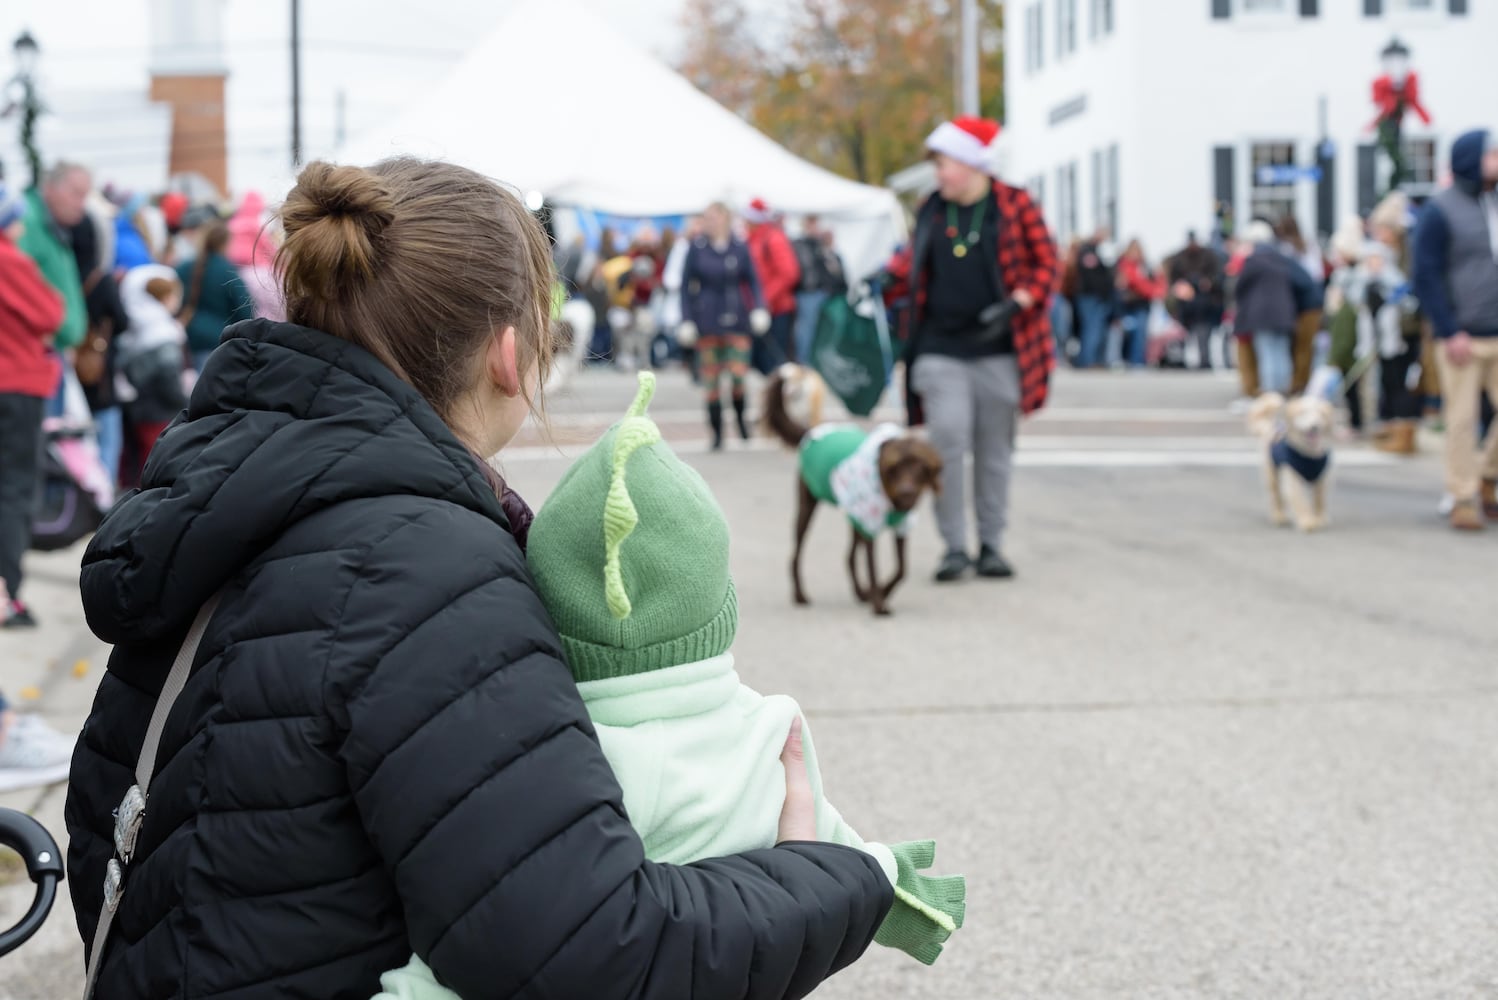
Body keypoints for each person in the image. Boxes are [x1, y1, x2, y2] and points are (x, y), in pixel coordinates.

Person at [65, 159, 891, 1000]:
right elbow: (589, 952)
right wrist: (829, 877)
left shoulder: (218, 493)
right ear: (510, 351)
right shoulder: (427, 568)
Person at [378, 373, 964, 998]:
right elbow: (832, 842)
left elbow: (483, 923)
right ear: (721, 612)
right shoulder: (772, 728)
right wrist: (895, 881)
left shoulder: (546, 754)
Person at [888, 116, 1057, 582]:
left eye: (944, 163)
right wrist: (882, 280)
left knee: (994, 449)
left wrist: (1019, 300)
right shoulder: (931, 210)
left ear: (970, 163)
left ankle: (991, 544)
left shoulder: (1015, 205)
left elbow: (1048, 265)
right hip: (939, 347)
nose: (939, 173)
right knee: (947, 436)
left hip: (1001, 347)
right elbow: (908, 266)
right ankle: (954, 547)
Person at [1412, 128, 1498, 531]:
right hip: (1462, 332)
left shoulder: (1493, 203)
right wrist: (1448, 329)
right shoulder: (1440, 210)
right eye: (1492, 155)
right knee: (1462, 419)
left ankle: (1488, 474)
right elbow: (1425, 273)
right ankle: (1463, 494)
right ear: (1472, 160)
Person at [0, 183, 65, 628]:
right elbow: (51, 314)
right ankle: (9, 592)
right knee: (15, 490)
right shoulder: (9, 258)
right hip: (16, 384)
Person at [680, 202, 770, 449]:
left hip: (737, 318)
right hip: (707, 320)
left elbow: (753, 281)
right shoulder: (697, 249)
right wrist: (686, 319)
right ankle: (717, 434)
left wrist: (759, 308)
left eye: (715, 217)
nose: (710, 222)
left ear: (726, 219)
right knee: (711, 382)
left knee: (739, 376)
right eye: (707, 218)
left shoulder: (739, 247)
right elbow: (685, 288)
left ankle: (741, 422)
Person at [16, 162, 91, 413]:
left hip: (52, 351)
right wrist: (47, 334)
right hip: (37, 355)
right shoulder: (28, 222)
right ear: (50, 188)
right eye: (76, 194)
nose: (81, 203)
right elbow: (18, 286)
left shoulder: (51, 226)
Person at [115, 264, 189, 487]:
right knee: (155, 463)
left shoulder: (136, 329)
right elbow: (168, 379)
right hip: (161, 412)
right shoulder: (163, 333)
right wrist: (184, 402)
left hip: (139, 409)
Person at [1234, 220, 1310, 396]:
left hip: (1262, 315)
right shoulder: (1282, 259)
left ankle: (1270, 393)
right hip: (1284, 313)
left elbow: (1240, 288)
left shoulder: (1253, 261)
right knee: (1281, 352)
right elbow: (1301, 281)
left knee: (1267, 353)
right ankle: (1283, 389)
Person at [178, 221, 255, 372]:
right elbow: (245, 311)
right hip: (220, 339)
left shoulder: (184, 268)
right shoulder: (228, 271)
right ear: (226, 243)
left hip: (188, 335)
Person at [744, 197, 801, 374]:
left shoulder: (773, 238)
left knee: (776, 361)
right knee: (759, 360)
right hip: (759, 310)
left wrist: (764, 299)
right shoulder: (751, 239)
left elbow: (789, 274)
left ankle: (778, 398)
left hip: (777, 310)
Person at [1166, 230, 1226, 370]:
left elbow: (1217, 277)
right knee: (1185, 334)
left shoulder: (1209, 256)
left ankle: (1204, 360)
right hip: (1186, 304)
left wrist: (1208, 283)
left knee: (1203, 332)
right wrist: (1181, 287)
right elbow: (1174, 279)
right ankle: (1182, 360)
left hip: (1205, 303)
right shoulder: (1180, 258)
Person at [791, 215, 848, 364]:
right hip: (807, 293)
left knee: (822, 331)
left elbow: (837, 276)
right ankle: (804, 363)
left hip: (825, 295)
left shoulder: (824, 249)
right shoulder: (801, 245)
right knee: (806, 331)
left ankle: (817, 363)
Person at [227, 192, 286, 321]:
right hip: (258, 269)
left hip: (236, 270)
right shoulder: (255, 225)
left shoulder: (232, 224)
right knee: (268, 305)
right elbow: (268, 248)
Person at [1116, 239, 1164, 369]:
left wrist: (1156, 290)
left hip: (1143, 304)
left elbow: (1158, 281)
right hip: (1129, 304)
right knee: (1130, 334)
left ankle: (1138, 361)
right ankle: (1132, 360)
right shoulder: (1125, 265)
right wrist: (1152, 291)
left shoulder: (1145, 266)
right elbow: (1137, 283)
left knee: (1141, 334)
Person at [1073, 225, 1116, 369]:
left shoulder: (1099, 251)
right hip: (1089, 297)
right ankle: (1087, 361)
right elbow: (1091, 277)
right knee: (1091, 330)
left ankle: (1094, 360)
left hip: (1097, 297)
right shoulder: (1087, 251)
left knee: (1096, 330)